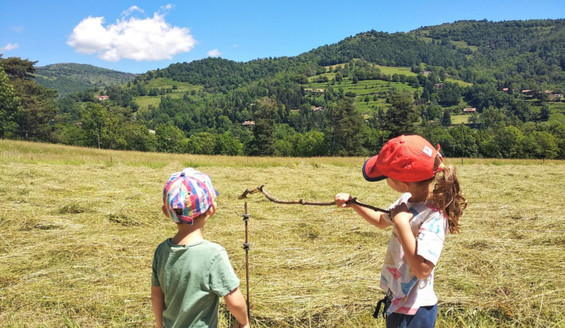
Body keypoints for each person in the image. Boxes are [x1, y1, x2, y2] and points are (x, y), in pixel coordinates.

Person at [335, 135, 466, 328]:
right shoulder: (406, 200)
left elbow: (422, 270)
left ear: (402, 183)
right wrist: (354, 204)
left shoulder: (434, 216)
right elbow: (381, 220)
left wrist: (402, 224)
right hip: (398, 300)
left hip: (415, 310)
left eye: (387, 177)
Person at [151, 168, 250, 328]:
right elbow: (234, 301)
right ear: (212, 209)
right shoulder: (213, 255)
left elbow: (156, 297)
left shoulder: (161, 251)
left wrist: (159, 325)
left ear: (166, 212)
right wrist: (244, 322)